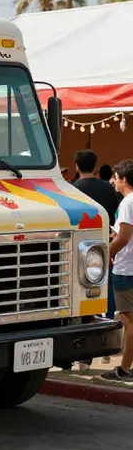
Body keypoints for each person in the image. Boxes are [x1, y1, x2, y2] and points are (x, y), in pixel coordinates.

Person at [71, 150, 120, 365]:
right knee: (105, 292)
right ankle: (105, 342)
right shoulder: (108, 189)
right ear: (96, 166)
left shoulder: (72, 190)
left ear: (76, 166)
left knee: (81, 296)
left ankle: (83, 353)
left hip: (80, 248)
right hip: (103, 246)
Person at [101, 159, 133, 381]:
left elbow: (123, 237)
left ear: (124, 180)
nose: (113, 182)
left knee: (128, 322)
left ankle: (123, 369)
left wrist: (105, 255)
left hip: (126, 269)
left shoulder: (128, 203)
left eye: (115, 178)